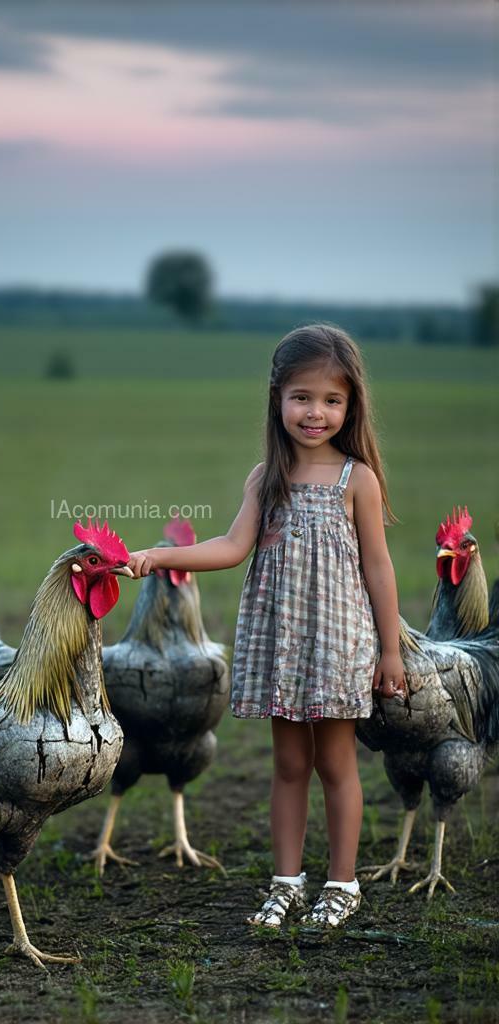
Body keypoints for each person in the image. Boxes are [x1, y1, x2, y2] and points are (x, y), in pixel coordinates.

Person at [127, 324, 405, 929]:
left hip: (336, 642)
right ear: (277, 397)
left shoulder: (355, 480)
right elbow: (231, 547)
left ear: (351, 404)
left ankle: (342, 884)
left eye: (332, 400)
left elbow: (379, 570)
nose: (316, 412)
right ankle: (286, 884)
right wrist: (159, 557)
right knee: (287, 765)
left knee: (336, 764)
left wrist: (391, 652)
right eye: (302, 397)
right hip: (281, 641)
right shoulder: (266, 478)